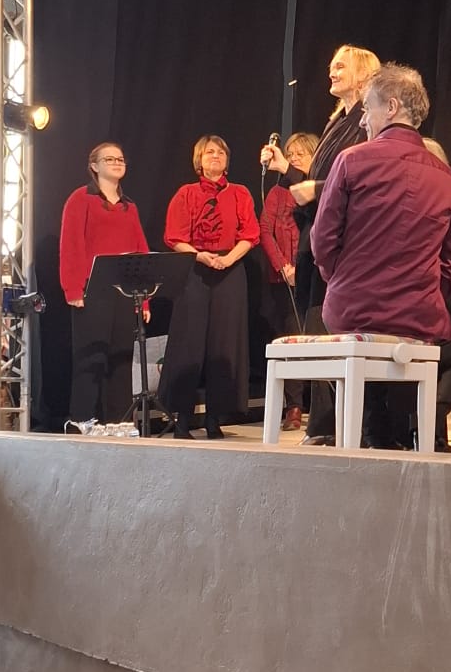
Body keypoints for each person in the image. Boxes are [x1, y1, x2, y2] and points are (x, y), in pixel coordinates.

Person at [311, 62, 451, 449]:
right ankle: (403, 438)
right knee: (443, 350)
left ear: (392, 107)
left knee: (371, 349)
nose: (363, 120)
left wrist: (342, 281)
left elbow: (322, 241)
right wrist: (420, 297)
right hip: (418, 317)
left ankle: (373, 439)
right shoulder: (450, 180)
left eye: (368, 108)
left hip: (352, 309)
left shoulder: (351, 161)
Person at [260, 43, 381, 441]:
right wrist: (287, 169)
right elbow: (318, 182)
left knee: (334, 332)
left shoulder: (366, 120)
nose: (332, 71)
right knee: (319, 329)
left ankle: (344, 425)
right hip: (317, 239)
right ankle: (325, 423)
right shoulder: (336, 122)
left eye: (340, 66)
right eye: (331, 66)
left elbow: (361, 177)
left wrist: (315, 187)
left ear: (362, 72)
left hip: (345, 242)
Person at [159, 135, 259, 439]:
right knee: (188, 343)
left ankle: (216, 419)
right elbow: (175, 237)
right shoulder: (186, 193)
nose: (215, 156)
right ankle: (182, 420)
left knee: (225, 345)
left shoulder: (240, 193)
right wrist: (200, 255)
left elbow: (250, 234)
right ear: (199, 160)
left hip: (230, 268)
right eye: (209, 152)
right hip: (194, 269)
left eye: (220, 153)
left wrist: (228, 259)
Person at [58, 142, 148, 428]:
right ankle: (81, 420)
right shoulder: (80, 199)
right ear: (94, 166)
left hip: (124, 293)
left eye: (120, 159)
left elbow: (140, 250)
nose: (117, 162)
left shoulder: (129, 206)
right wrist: (73, 289)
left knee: (121, 360)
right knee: (91, 359)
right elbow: (71, 245)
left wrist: (144, 298)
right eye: (109, 159)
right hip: (91, 291)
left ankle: (119, 422)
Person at [259, 130, 318, 430]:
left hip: (314, 272)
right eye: (290, 154)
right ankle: (294, 406)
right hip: (284, 278)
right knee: (292, 337)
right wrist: (283, 266)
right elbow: (265, 230)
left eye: (299, 154)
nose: (293, 159)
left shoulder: (317, 190)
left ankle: (321, 405)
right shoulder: (277, 192)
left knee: (318, 337)